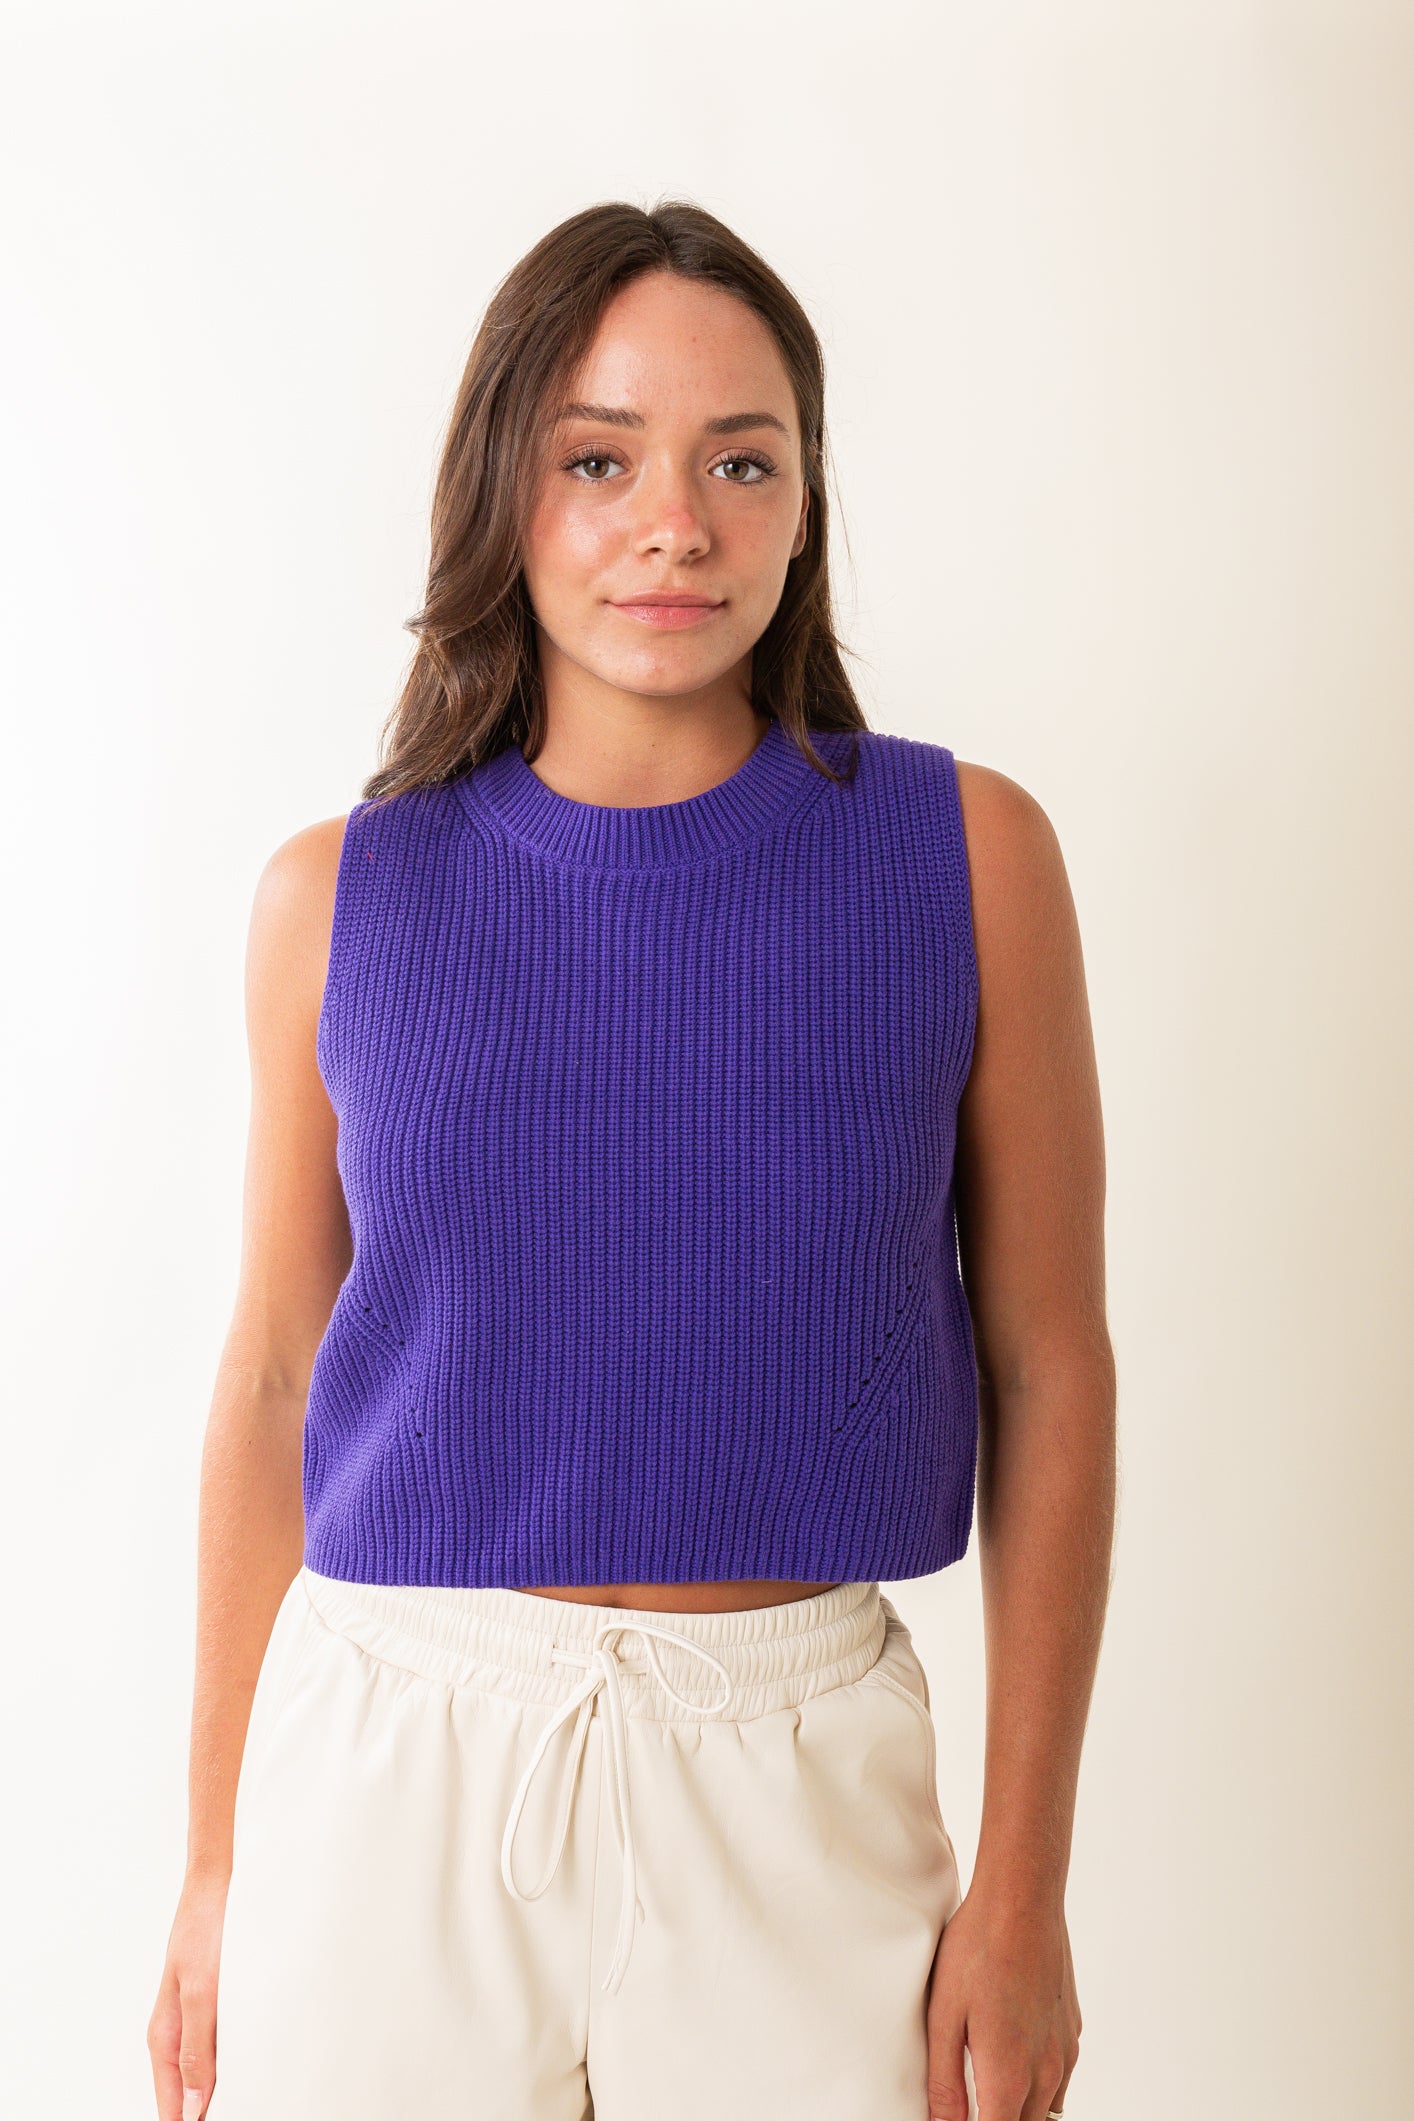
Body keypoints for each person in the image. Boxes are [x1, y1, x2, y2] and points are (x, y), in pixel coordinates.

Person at [147, 199, 1113, 2121]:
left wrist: (1023, 1888)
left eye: (740, 463)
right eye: (599, 460)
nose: (675, 523)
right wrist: (214, 1865)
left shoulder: (965, 859)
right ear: (502, 490)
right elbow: (271, 1378)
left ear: (804, 505)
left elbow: (1049, 1364)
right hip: (389, 1765)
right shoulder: (337, 898)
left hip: (797, 1772)